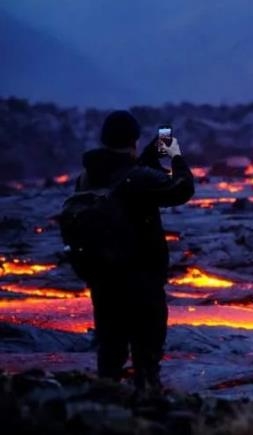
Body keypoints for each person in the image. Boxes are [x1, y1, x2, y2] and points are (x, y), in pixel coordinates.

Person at [75, 110, 194, 391]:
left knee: (109, 358)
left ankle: (105, 415)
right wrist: (175, 155)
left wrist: (148, 161)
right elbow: (182, 189)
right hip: (142, 281)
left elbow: (125, 186)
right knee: (147, 362)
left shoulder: (87, 176)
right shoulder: (136, 177)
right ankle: (148, 417)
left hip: (103, 281)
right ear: (134, 140)